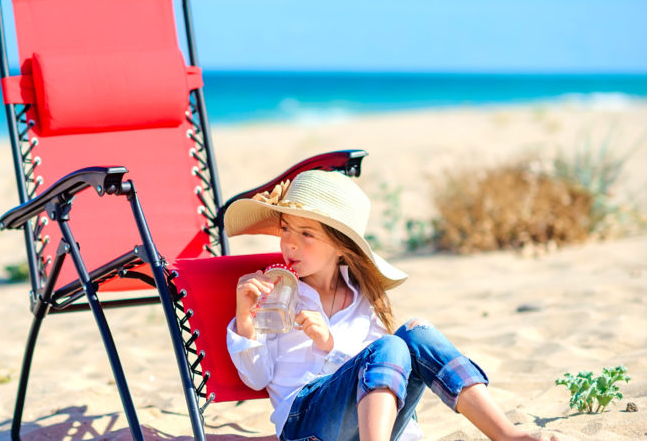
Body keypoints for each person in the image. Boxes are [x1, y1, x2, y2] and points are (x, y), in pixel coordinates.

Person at [224, 169, 550, 441]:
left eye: (306, 233)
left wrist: (330, 345)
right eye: (285, 229)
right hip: (304, 423)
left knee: (415, 333)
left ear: (342, 246)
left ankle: (508, 435)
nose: (289, 243)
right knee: (389, 346)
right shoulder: (276, 292)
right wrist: (245, 318)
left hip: (364, 429)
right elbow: (256, 378)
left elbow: (384, 381)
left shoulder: (365, 299)